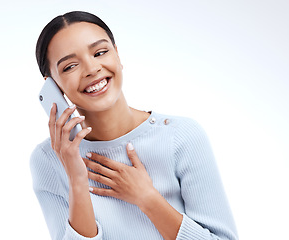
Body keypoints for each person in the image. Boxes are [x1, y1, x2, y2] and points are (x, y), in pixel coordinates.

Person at [30, 11, 238, 240]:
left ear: (117, 55)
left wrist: (147, 198)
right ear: (52, 85)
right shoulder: (49, 159)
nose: (91, 69)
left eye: (100, 52)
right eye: (70, 66)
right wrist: (76, 179)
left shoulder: (181, 136)